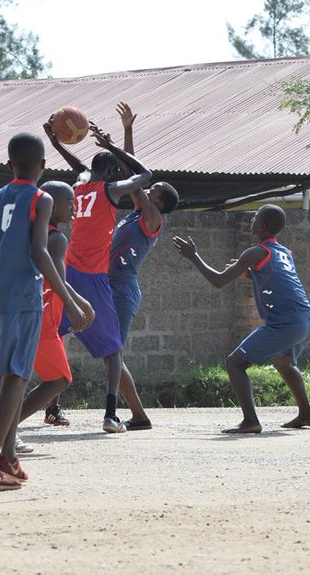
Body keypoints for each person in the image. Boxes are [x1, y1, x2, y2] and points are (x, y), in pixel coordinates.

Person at [0, 133, 90, 491]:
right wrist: (67, 298)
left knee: (8, 375)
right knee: (17, 378)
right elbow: (39, 252)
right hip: (23, 295)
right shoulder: (42, 198)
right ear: (43, 166)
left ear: (9, 165)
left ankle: (8, 458)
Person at [44, 118, 154, 433]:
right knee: (113, 349)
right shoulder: (111, 189)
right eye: (114, 171)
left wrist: (56, 144)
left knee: (55, 334)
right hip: (93, 278)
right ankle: (110, 415)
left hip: (67, 271)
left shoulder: (79, 185)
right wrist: (112, 146)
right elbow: (145, 175)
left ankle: (52, 408)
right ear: (109, 173)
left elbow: (80, 166)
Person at [0, 181, 94, 441]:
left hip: (12, 306)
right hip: (38, 312)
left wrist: (79, 301)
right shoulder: (55, 238)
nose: (74, 208)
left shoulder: (27, 233)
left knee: (3, 374)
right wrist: (73, 304)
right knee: (59, 379)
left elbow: (54, 274)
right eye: (70, 202)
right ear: (51, 204)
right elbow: (55, 275)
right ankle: (4, 430)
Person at [173, 204, 310, 434]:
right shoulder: (283, 252)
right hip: (308, 320)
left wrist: (194, 256)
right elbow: (277, 278)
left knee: (235, 363)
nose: (251, 221)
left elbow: (219, 280)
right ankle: (307, 414)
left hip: (286, 324)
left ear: (260, 226)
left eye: (255, 218)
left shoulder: (254, 252)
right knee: (284, 362)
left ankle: (250, 421)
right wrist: (250, 273)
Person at [106, 101, 178, 430]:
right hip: (107, 284)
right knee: (105, 350)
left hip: (122, 288)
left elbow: (135, 178)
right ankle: (55, 403)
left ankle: (138, 415)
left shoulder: (153, 218)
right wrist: (126, 131)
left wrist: (117, 142)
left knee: (113, 353)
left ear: (160, 201)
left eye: (154, 188)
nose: (148, 187)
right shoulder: (139, 212)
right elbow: (132, 175)